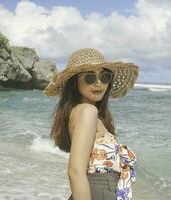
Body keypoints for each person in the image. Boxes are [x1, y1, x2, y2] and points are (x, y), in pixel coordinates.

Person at [43, 48, 139, 200]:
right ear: (75, 83)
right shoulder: (87, 111)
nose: (99, 83)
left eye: (105, 77)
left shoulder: (86, 113)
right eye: (90, 78)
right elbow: (75, 171)